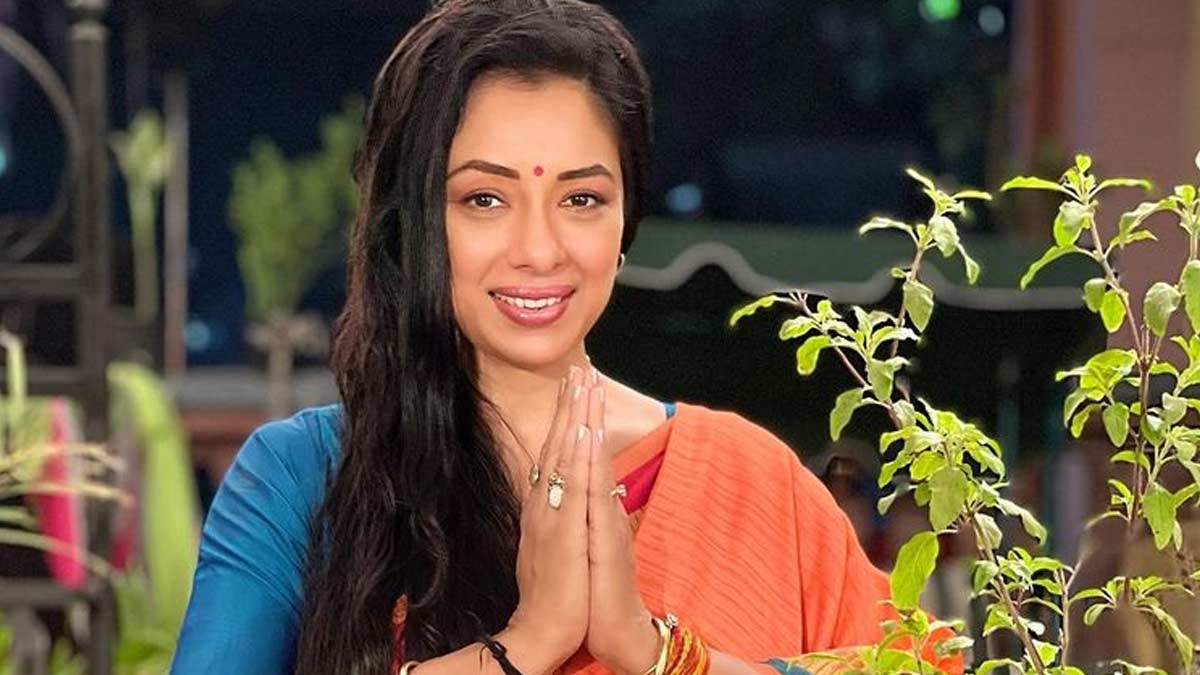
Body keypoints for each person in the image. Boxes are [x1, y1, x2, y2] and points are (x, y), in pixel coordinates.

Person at [172, 1, 962, 673]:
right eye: (484, 199)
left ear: (625, 222)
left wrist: (652, 650)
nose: (540, 249)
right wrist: (525, 643)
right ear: (411, 225)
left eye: (581, 199)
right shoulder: (302, 480)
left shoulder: (752, 483)